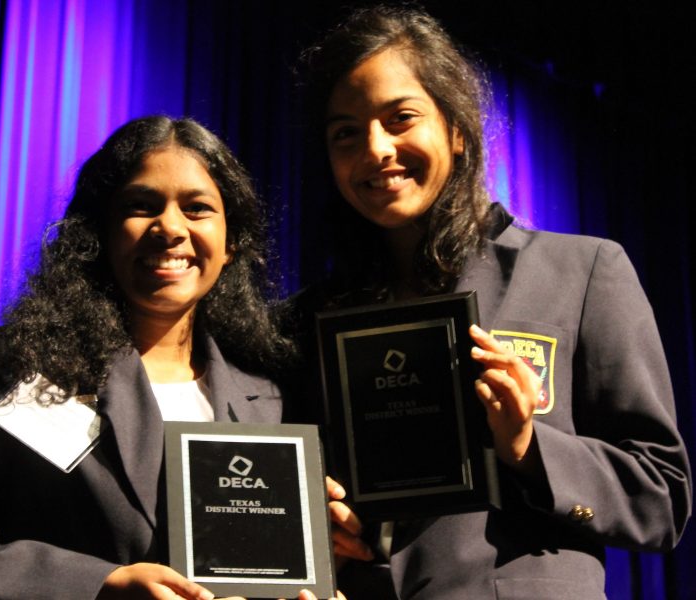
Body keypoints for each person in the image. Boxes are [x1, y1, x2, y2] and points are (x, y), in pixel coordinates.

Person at [291, 6, 692, 599]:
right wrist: (315, 525)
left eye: (401, 118)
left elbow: (660, 497)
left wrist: (529, 446)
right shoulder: (307, 320)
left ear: (456, 129)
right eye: (345, 132)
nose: (375, 149)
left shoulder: (581, 271)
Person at [0, 116, 335, 600]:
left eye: (198, 208)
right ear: (99, 232)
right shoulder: (20, 368)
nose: (170, 228)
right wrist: (102, 585)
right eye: (142, 206)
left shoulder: (267, 395)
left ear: (231, 243)